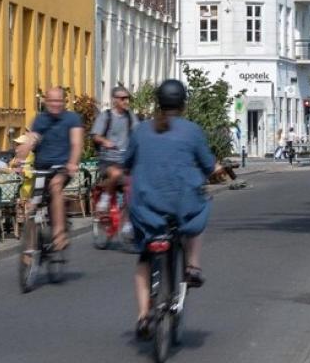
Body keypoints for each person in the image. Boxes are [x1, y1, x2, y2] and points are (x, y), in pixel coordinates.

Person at [123, 79, 229, 338]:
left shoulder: (141, 131)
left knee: (144, 259)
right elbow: (208, 165)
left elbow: (126, 163)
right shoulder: (192, 130)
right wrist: (218, 170)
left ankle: (143, 315)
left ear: (158, 102)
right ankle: (192, 266)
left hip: (147, 206)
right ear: (183, 104)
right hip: (182, 205)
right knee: (199, 209)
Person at [12, 87, 85, 252]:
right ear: (46, 102)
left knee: (56, 185)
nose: (55, 104)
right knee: (32, 206)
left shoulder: (72, 119)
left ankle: (59, 233)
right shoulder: (40, 119)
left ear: (64, 102)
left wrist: (73, 162)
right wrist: (23, 151)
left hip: (63, 167)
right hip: (41, 170)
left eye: (58, 101)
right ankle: (29, 251)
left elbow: (76, 143)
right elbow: (33, 138)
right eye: (51, 101)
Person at [91, 86, 133, 210]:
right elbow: (95, 136)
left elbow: (139, 132)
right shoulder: (106, 116)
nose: (126, 101)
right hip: (107, 160)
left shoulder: (130, 117)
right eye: (123, 98)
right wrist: (105, 141)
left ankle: (127, 221)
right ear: (115, 100)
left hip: (124, 161)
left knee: (132, 187)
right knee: (115, 173)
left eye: (128, 98)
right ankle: (105, 197)